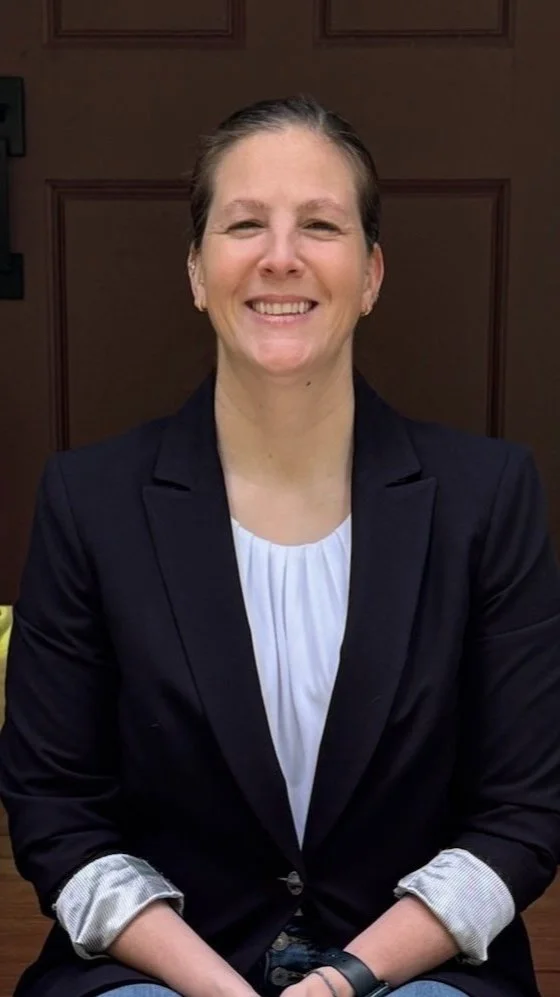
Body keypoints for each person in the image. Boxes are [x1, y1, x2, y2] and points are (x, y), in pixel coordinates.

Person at [1, 94, 560, 997]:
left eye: (321, 225)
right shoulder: (87, 502)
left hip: (407, 972)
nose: (280, 255)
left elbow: (524, 810)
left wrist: (345, 980)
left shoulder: (488, 498)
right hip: (164, 972)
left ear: (371, 274)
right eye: (245, 223)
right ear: (197, 270)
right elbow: (55, 811)